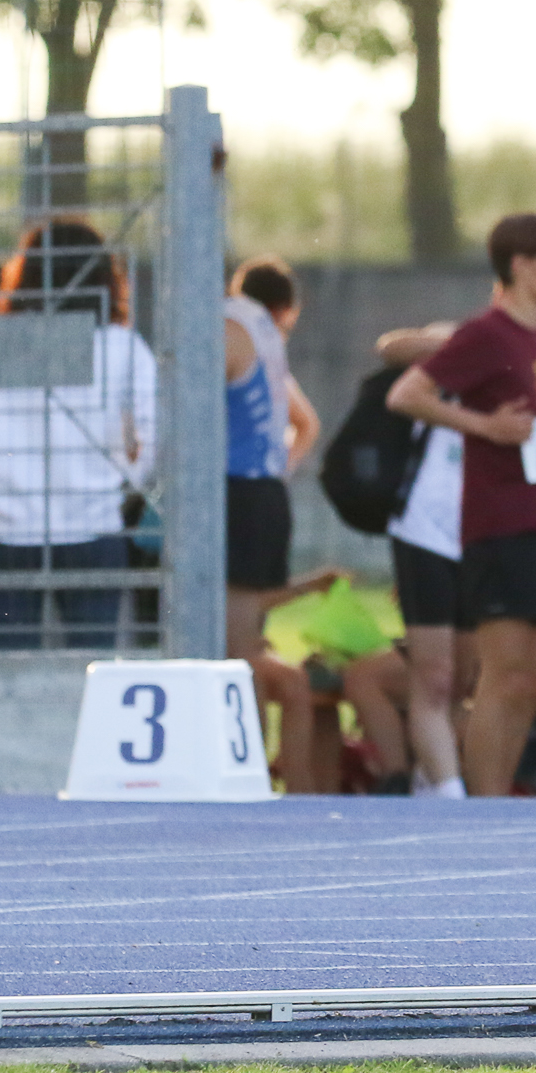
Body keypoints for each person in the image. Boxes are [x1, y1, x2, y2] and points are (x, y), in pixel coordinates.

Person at [387, 215, 536, 797]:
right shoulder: (487, 332)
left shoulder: (535, 339)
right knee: (502, 673)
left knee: (534, 678)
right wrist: (484, 427)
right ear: (522, 267)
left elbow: (527, 426)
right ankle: (486, 807)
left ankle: (499, 796)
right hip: (500, 522)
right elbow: (407, 394)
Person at [0, 219, 159, 650]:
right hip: (94, 529)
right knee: (93, 666)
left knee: (12, 665)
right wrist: (120, 488)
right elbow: (152, 438)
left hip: (6, 533)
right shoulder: (124, 348)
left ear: (24, 273)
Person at [225, 257, 324, 789]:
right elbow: (306, 424)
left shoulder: (230, 328)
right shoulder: (266, 342)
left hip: (236, 490)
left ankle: (247, 773)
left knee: (236, 654)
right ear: (287, 311)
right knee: (245, 649)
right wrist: (276, 467)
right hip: (262, 494)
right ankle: (254, 770)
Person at [377, 320, 471, 799]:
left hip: (479, 532)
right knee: (433, 673)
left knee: (465, 676)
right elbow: (390, 346)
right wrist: (461, 346)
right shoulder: (446, 362)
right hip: (423, 530)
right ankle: (451, 792)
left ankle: (431, 772)